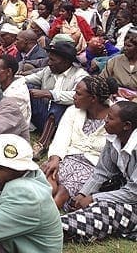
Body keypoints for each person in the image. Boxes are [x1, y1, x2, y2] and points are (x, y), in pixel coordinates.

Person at [61, 101, 137, 241]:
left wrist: (93, 198)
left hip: (134, 198)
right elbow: (102, 172)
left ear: (127, 125)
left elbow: (133, 193)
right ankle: (69, 225)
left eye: (110, 118)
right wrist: (83, 194)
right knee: (77, 201)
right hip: (126, 191)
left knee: (105, 209)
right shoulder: (113, 139)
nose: (105, 121)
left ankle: (60, 229)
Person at [42, 76, 115, 209]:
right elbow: (61, 138)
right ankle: (34, 205)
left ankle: (45, 216)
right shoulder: (73, 111)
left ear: (93, 99)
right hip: (68, 158)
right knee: (49, 179)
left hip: (93, 166)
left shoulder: (114, 117)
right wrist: (55, 159)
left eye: (78, 93)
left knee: (64, 190)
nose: (74, 96)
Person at [25, 41, 89, 158]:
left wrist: (50, 94)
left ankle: (42, 144)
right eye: (49, 59)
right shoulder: (48, 71)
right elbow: (28, 79)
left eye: (53, 60)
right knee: (26, 88)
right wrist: (14, 79)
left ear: (66, 61)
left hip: (62, 120)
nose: (49, 63)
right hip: (42, 115)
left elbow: (77, 97)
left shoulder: (80, 76)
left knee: (58, 104)